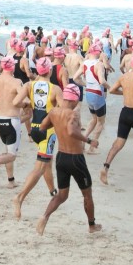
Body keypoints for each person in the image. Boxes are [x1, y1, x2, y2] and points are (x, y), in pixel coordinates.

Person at [33, 83, 102, 235]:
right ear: (75, 99)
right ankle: (92, 225)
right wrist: (89, 141)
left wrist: (57, 127)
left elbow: (42, 127)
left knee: (62, 195)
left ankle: (44, 217)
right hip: (75, 159)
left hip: (61, 158)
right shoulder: (73, 114)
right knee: (87, 194)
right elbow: (71, 131)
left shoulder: (53, 112)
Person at [11, 58, 61, 220]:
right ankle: (19, 198)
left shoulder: (29, 85)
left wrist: (29, 105)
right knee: (39, 168)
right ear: (50, 71)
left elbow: (16, 102)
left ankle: (53, 192)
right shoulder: (55, 89)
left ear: (38, 71)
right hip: (48, 132)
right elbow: (63, 111)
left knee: (46, 162)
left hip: (34, 129)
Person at [99, 54, 133, 185]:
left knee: (118, 143)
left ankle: (106, 167)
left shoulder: (123, 77)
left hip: (125, 112)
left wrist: (125, 93)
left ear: (132, 65)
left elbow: (111, 90)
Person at [0, 56, 29, 186]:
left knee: (9, 151)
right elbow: (21, 100)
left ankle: (11, 181)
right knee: (12, 155)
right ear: (12, 67)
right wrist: (26, 105)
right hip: (12, 120)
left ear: (1, 66)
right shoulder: (16, 81)